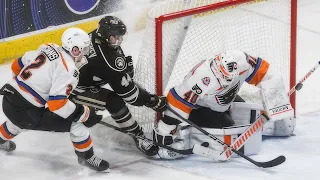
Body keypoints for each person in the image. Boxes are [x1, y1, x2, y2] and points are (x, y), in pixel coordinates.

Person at [0, 27, 109, 172]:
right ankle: (86, 157)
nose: (85, 53)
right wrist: (86, 114)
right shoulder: (70, 70)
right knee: (77, 124)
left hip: (8, 99)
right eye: (84, 49)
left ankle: (1, 139)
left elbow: (16, 65)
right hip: (26, 113)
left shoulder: (48, 47)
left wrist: (29, 87)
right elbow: (57, 104)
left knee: (19, 121)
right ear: (75, 50)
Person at [153, 49, 295, 159]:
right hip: (202, 109)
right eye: (221, 79)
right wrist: (167, 131)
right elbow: (178, 102)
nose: (223, 82)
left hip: (225, 101)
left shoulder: (241, 60)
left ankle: (268, 126)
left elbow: (266, 74)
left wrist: (277, 103)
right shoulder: (201, 78)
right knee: (230, 129)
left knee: (244, 115)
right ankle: (192, 134)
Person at [69, 16, 167, 156]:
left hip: (74, 78)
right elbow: (130, 96)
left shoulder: (95, 35)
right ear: (107, 36)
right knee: (113, 101)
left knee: (118, 86)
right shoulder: (108, 60)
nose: (120, 40)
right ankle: (137, 135)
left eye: (120, 37)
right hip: (71, 89)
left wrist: (123, 75)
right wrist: (151, 100)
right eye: (116, 37)